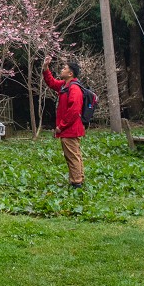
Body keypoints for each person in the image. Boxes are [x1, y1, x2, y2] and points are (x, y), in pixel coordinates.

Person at [42, 54, 85, 189]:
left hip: (70, 129)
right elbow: (52, 82)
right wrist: (45, 68)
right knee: (73, 155)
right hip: (69, 128)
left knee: (72, 156)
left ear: (70, 73)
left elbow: (74, 110)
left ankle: (76, 182)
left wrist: (61, 126)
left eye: (64, 68)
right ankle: (78, 179)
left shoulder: (74, 88)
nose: (62, 70)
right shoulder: (65, 85)